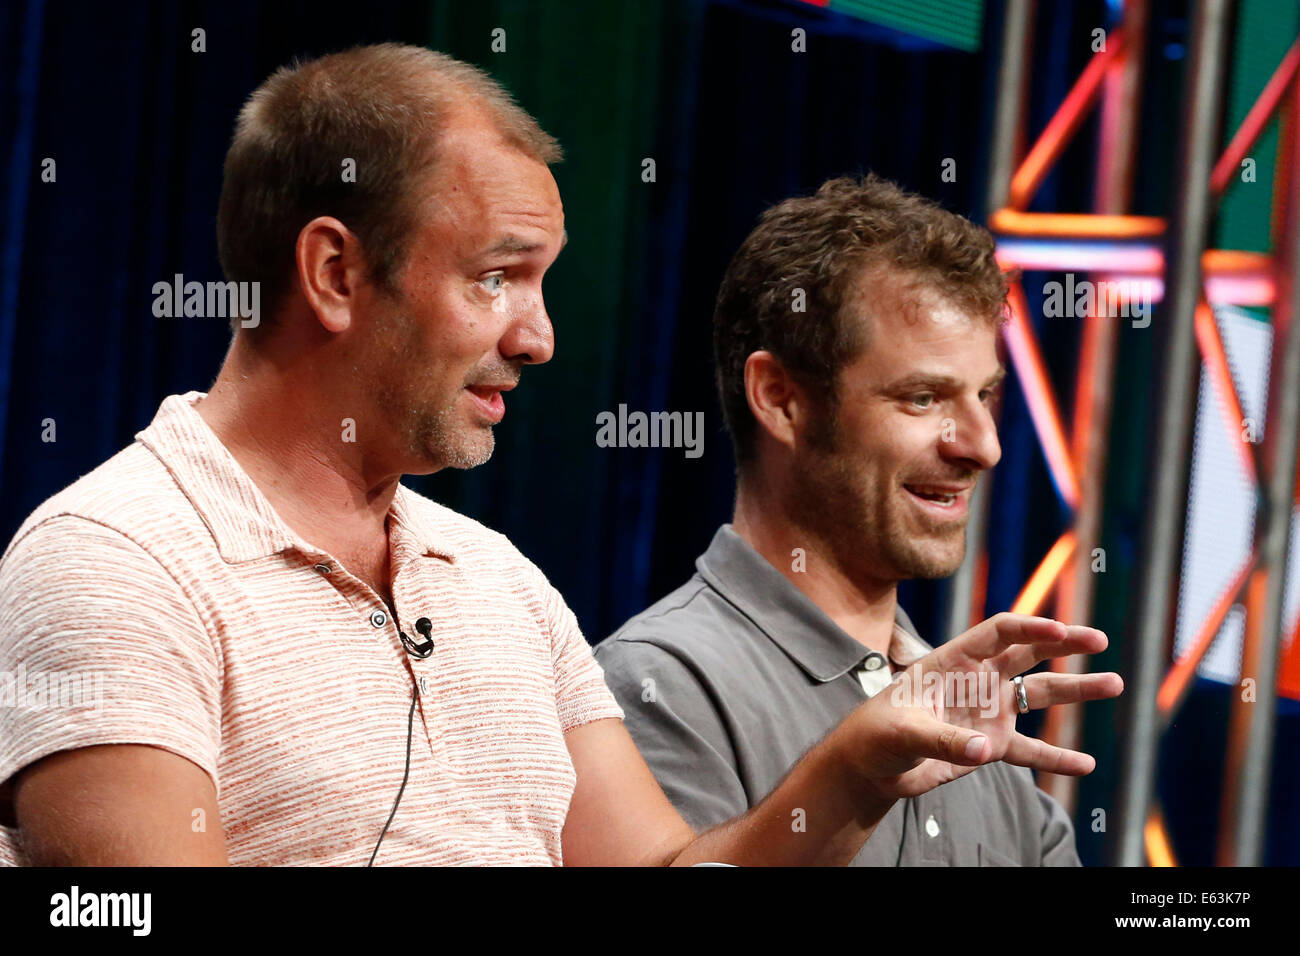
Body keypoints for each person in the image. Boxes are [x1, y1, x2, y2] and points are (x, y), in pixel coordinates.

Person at [0, 45, 1120, 866]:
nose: (538, 337)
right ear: (335, 273)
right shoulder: (116, 563)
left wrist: (853, 767)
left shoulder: (497, 583)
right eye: (496, 276)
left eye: (541, 283)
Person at [597, 175, 1096, 865]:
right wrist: (847, 781)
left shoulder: (978, 726)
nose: (983, 445)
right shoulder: (658, 686)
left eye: (984, 395)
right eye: (924, 398)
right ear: (780, 399)